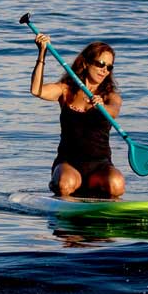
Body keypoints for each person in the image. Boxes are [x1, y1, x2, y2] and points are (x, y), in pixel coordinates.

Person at [29, 34, 126, 199]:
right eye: (101, 64)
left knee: (116, 185)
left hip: (100, 166)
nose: (105, 70)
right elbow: (36, 90)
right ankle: (62, 193)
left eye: (109, 67)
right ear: (85, 63)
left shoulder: (110, 96)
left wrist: (102, 106)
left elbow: (113, 111)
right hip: (68, 163)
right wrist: (42, 54)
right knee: (64, 184)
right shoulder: (66, 90)